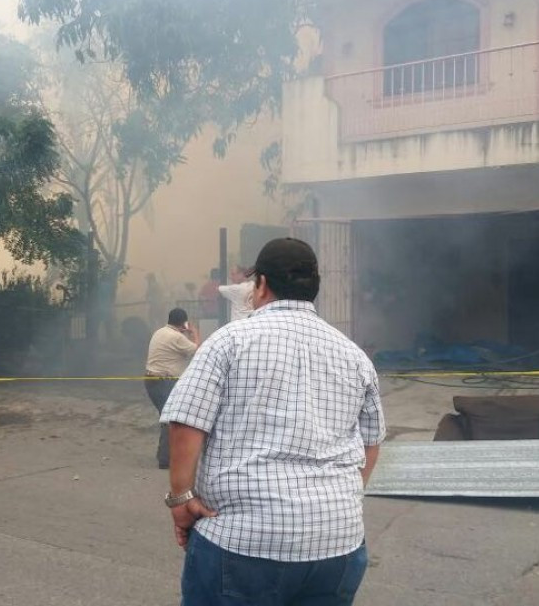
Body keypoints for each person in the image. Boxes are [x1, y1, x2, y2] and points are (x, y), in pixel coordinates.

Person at [161, 238, 386, 606]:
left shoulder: (229, 342)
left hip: (242, 546)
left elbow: (185, 423)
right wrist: (336, 499)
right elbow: (371, 442)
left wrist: (181, 499)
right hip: (338, 545)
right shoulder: (354, 355)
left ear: (261, 284)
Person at [144, 308, 200, 469]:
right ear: (184, 323)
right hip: (163, 381)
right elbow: (198, 350)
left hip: (152, 381)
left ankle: (169, 455)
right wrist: (194, 332)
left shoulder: (160, 332)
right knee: (170, 418)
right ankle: (165, 459)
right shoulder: (177, 337)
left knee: (169, 416)